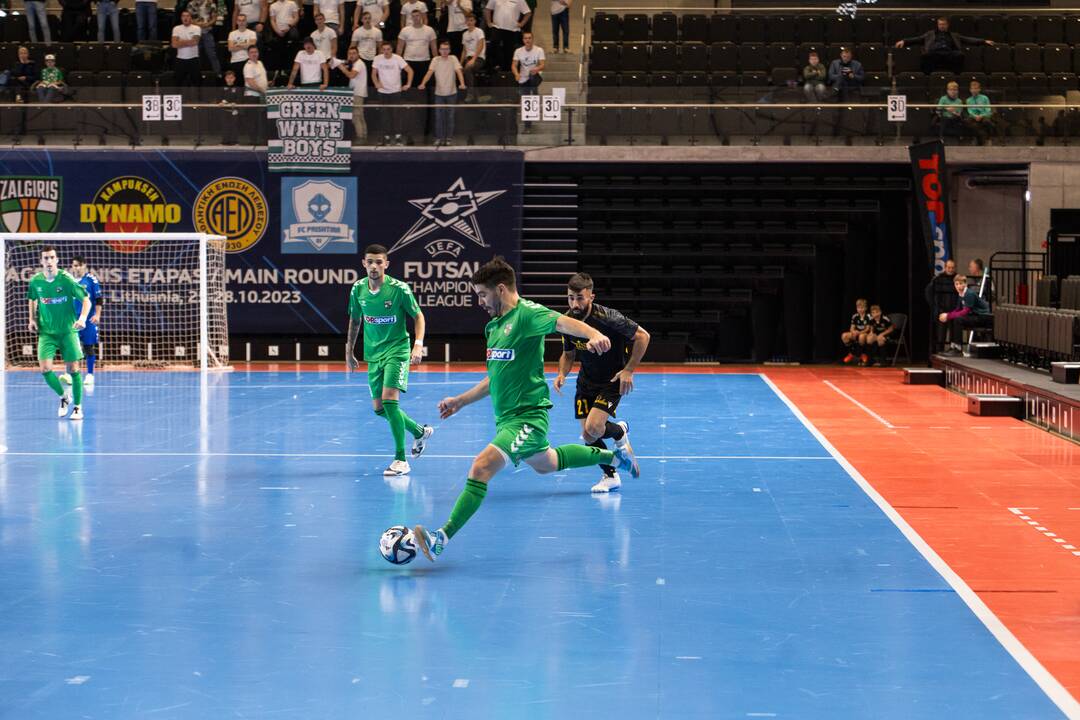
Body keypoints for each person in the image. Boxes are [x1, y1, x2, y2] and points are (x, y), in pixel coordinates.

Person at [410, 257, 640, 563]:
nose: (480, 302)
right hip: (506, 419)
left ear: (501, 289)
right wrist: (460, 401)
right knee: (547, 462)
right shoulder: (493, 327)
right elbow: (495, 378)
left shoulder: (527, 314)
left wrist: (593, 334)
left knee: (481, 467)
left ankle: (442, 537)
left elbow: (561, 321)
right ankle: (616, 456)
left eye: (482, 294)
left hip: (528, 418)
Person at [554, 272, 649, 493]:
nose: (574, 303)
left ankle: (619, 433)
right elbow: (568, 355)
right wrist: (562, 374)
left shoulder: (609, 318)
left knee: (595, 427)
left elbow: (643, 336)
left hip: (612, 380)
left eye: (579, 298)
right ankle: (611, 476)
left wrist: (629, 370)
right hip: (585, 380)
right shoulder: (567, 321)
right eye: (570, 298)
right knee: (588, 436)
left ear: (591, 297)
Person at [346, 244, 434, 477]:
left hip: (397, 350)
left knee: (389, 400)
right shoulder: (357, 290)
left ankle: (401, 459)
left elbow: (418, 316)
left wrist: (418, 344)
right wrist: (349, 350)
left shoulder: (399, 289)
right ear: (363, 264)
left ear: (386, 264)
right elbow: (355, 321)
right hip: (373, 354)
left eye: (379, 262)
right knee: (378, 409)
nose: (374, 266)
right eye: (370, 262)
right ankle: (419, 431)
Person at [28, 246, 90, 421]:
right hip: (46, 333)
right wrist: (32, 319)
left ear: (57, 260)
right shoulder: (35, 281)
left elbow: (86, 299)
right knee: (46, 369)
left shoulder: (66, 280)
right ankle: (64, 397)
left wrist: (83, 318)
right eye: (45, 258)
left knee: (73, 369)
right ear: (41, 261)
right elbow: (32, 299)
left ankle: (77, 407)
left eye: (52, 258)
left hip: (68, 332)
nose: (48, 261)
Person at [895, 16, 994, 76]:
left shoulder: (954, 35)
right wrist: (904, 41)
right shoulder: (930, 34)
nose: (941, 26)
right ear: (937, 25)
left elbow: (968, 39)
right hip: (935, 53)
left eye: (943, 24)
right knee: (925, 56)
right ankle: (927, 77)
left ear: (947, 25)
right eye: (940, 24)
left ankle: (957, 75)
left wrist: (983, 41)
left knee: (960, 55)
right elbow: (917, 39)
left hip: (949, 53)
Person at [61, 257, 103, 390]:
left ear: (84, 265)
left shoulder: (91, 279)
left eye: (78, 265)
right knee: (71, 348)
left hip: (88, 319)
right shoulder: (69, 281)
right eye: (74, 265)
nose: (76, 268)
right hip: (73, 320)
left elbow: (99, 299)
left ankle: (90, 375)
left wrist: (97, 315)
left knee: (88, 347)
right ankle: (69, 374)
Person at [419, 40, 465, 145]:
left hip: (452, 93)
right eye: (442, 49)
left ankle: (449, 138)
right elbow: (429, 72)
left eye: (446, 49)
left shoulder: (453, 59)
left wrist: (462, 83)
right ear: (439, 50)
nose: (444, 51)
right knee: (439, 118)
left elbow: (459, 71)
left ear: (449, 50)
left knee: (450, 117)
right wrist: (423, 83)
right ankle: (439, 138)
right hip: (439, 94)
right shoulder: (435, 60)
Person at [939, 274, 991, 355]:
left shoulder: (969, 294)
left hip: (983, 317)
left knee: (958, 319)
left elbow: (965, 311)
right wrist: (947, 315)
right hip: (974, 315)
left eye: (961, 283)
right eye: (956, 284)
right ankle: (953, 346)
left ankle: (958, 348)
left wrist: (948, 315)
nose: (959, 286)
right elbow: (957, 310)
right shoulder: (960, 294)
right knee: (953, 318)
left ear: (965, 284)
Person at [372, 40, 412, 144]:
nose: (386, 51)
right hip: (382, 92)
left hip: (395, 92)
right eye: (384, 49)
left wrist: (408, 84)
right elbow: (373, 74)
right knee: (384, 115)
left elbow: (410, 71)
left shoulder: (398, 58)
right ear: (381, 50)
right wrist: (376, 83)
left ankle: (398, 136)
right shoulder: (377, 59)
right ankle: (386, 136)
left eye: (388, 49)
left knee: (396, 115)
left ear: (392, 49)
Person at [331, 46, 368, 140]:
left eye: (354, 53)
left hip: (358, 93)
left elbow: (351, 75)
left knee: (356, 116)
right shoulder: (354, 64)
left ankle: (360, 137)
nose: (351, 55)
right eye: (350, 53)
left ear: (358, 54)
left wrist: (341, 67)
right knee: (359, 116)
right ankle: (363, 135)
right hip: (357, 92)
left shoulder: (359, 64)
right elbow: (330, 64)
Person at [485, 0, 530, 72]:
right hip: (497, 27)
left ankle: (508, 72)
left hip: (511, 30)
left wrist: (522, 24)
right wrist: (488, 22)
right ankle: (494, 68)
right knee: (493, 46)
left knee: (509, 52)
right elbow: (487, 9)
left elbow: (528, 12)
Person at [924, 258, 957, 353]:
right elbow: (928, 292)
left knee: (954, 334)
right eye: (949, 267)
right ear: (945, 267)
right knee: (940, 335)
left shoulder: (957, 279)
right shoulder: (937, 279)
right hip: (941, 310)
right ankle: (939, 352)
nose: (950, 269)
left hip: (954, 311)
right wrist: (934, 306)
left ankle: (954, 351)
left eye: (952, 268)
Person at [397, 9, 437, 82]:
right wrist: (397, 61)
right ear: (411, 18)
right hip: (408, 61)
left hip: (424, 61)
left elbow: (434, 47)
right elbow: (400, 47)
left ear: (421, 16)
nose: (415, 18)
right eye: (413, 16)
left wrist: (436, 60)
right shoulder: (405, 30)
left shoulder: (429, 30)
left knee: (424, 84)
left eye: (417, 15)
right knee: (409, 85)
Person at [188, 0, 223, 78]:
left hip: (207, 32)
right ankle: (196, 76)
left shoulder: (211, 3)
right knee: (196, 55)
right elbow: (188, 18)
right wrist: (197, 24)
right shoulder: (191, 4)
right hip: (194, 34)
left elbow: (214, 18)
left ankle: (218, 74)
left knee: (212, 54)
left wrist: (207, 24)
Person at [269, 0, 301, 73]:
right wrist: (278, 31)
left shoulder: (292, 3)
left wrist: (289, 26)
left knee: (294, 36)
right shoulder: (273, 6)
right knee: (276, 43)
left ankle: (293, 67)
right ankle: (280, 69)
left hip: (290, 28)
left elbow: (296, 17)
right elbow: (272, 20)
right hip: (279, 30)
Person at [172, 10, 203, 87]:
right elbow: (174, 44)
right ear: (181, 18)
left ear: (191, 18)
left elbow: (195, 42)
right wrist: (189, 42)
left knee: (196, 82)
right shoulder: (176, 28)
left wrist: (181, 41)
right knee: (178, 82)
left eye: (187, 16)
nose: (185, 18)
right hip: (180, 59)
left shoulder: (196, 28)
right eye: (183, 16)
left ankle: (197, 99)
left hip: (193, 59)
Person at [460, 12, 485, 101]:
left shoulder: (479, 31)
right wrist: (460, 63)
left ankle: (470, 94)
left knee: (468, 69)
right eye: (467, 20)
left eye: (471, 20)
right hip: (468, 58)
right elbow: (464, 50)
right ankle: (478, 96)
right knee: (461, 70)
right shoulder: (464, 34)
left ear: (475, 21)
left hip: (478, 58)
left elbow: (481, 46)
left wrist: (473, 59)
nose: (469, 22)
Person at [350, 10, 383, 77]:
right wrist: (350, 59)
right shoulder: (357, 32)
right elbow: (352, 46)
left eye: (369, 18)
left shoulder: (377, 32)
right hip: (361, 57)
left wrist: (379, 59)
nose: (367, 20)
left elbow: (380, 47)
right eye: (365, 18)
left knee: (372, 79)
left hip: (373, 58)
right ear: (362, 20)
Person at [228, 13, 259, 80]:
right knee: (239, 85)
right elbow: (230, 48)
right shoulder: (232, 34)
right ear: (237, 22)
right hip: (235, 61)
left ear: (246, 22)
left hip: (248, 60)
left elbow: (252, 46)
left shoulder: (252, 33)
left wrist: (238, 45)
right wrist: (246, 45)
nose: (241, 22)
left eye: (243, 20)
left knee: (249, 82)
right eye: (239, 20)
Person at [841, 297, 871, 365]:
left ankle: (863, 354)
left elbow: (867, 329)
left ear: (866, 308)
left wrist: (859, 333)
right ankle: (851, 353)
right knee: (844, 336)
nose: (860, 310)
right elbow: (851, 328)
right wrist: (853, 332)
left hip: (865, 334)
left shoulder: (868, 316)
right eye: (858, 308)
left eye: (862, 308)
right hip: (857, 333)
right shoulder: (855, 316)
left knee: (861, 337)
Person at [964, 79, 996, 144]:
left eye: (976, 88)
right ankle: (977, 137)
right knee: (968, 122)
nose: (974, 90)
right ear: (970, 90)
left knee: (987, 121)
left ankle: (988, 138)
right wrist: (975, 116)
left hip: (984, 116)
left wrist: (981, 116)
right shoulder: (968, 100)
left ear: (979, 89)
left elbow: (988, 109)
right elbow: (969, 110)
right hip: (974, 117)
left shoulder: (985, 98)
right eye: (973, 89)